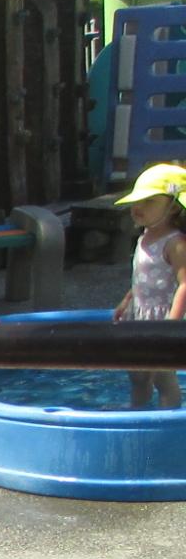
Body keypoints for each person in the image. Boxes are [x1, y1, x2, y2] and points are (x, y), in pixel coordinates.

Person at [114, 161, 186, 410]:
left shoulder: (175, 243)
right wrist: (128, 300)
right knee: (137, 373)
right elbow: (144, 278)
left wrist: (172, 324)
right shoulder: (145, 236)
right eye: (137, 200)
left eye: (149, 201)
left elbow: (185, 284)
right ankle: (137, 415)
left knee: (163, 377)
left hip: (162, 319)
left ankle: (167, 420)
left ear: (174, 207)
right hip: (140, 315)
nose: (138, 206)